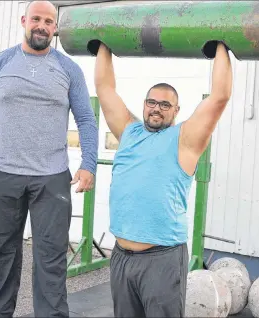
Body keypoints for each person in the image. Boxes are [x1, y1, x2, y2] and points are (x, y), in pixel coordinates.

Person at [0, 1, 98, 317]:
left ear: (55, 28)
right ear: (25, 21)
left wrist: (88, 163)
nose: (42, 26)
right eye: (36, 19)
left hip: (52, 178)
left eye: (49, 21)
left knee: (50, 256)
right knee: (2, 253)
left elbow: (86, 120)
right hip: (5, 174)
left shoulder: (68, 69)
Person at [94, 41, 232, 317]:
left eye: (165, 104)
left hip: (162, 258)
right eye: (151, 102)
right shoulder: (128, 132)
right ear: (144, 104)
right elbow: (105, 88)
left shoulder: (185, 140)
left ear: (176, 110)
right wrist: (103, 43)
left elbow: (219, 97)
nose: (156, 108)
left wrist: (220, 44)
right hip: (120, 256)